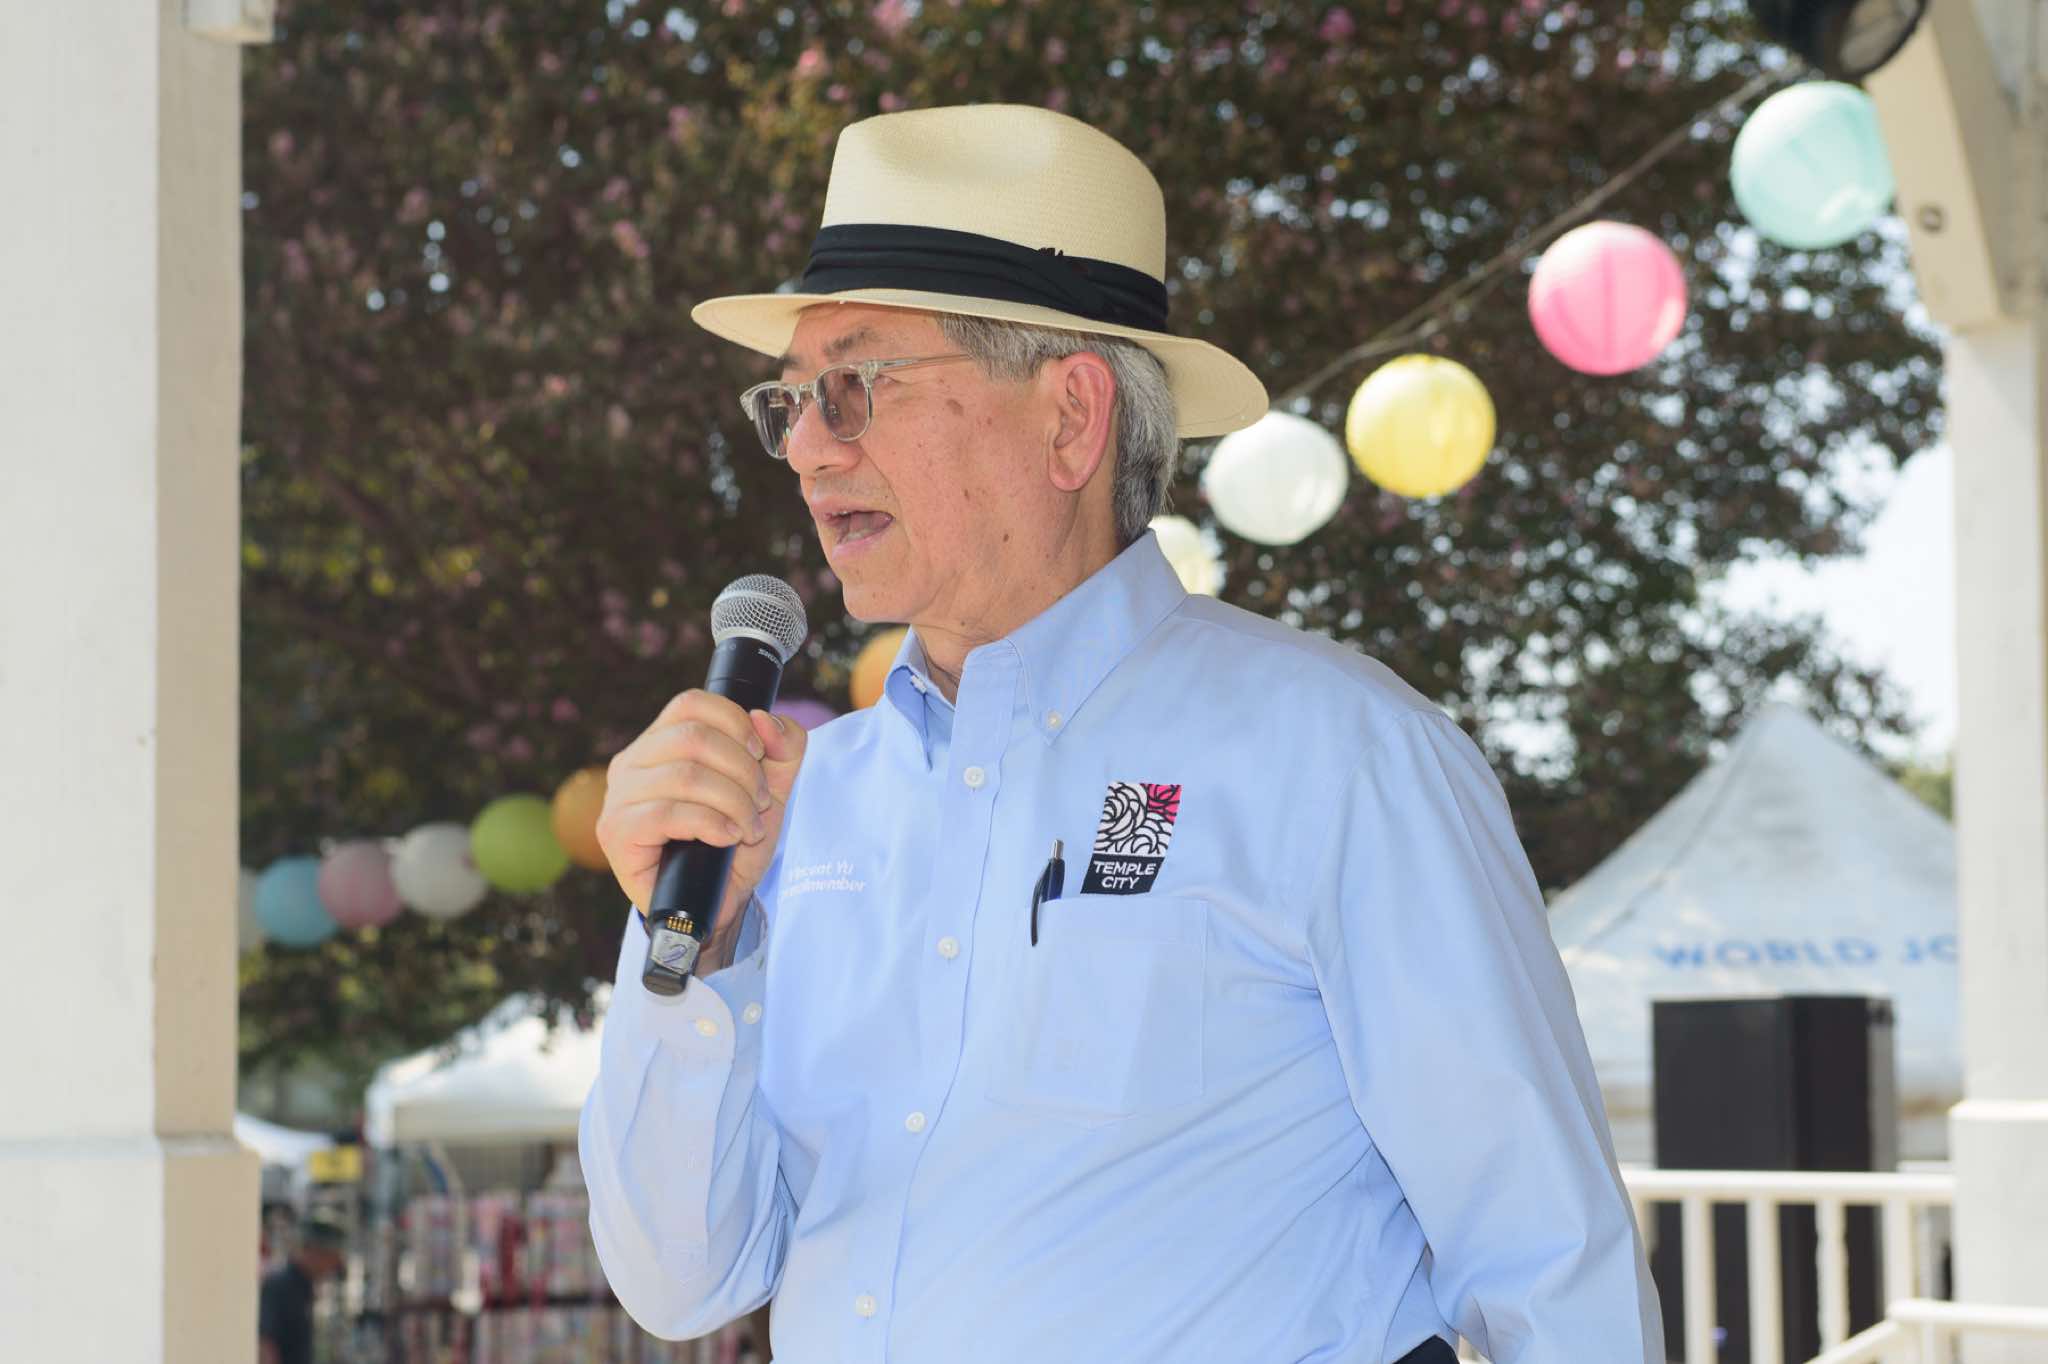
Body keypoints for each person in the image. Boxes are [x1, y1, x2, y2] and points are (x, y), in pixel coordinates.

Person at [579, 103, 1663, 1362]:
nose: (806, 448)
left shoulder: (1338, 754)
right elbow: (681, 1281)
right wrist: (695, 947)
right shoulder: (802, 804)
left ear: (1069, 416)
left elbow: (1553, 1269)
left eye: (855, 387)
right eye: (790, 401)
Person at [258, 1212, 345, 1364]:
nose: (330, 1269)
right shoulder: (280, 1286)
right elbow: (265, 1344)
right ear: (316, 1252)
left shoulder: (306, 1286)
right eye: (330, 1259)